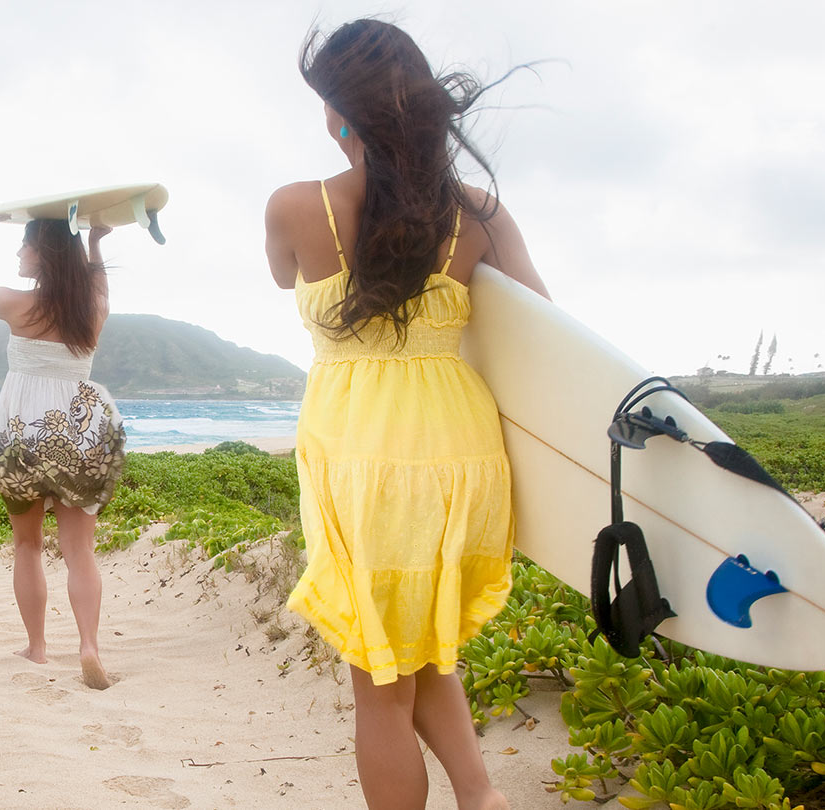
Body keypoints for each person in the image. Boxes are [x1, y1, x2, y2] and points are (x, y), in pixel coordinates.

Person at [262, 18, 550, 810]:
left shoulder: (295, 208)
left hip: (362, 458)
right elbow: (543, 333)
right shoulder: (481, 213)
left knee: (380, 685)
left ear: (340, 113)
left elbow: (283, 278)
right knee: (425, 653)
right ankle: (481, 796)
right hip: (462, 455)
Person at [0, 202, 127, 690]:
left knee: (28, 545)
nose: (18, 251)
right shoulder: (93, 308)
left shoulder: (18, 304)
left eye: (23, 243)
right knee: (80, 551)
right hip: (82, 428)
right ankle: (89, 645)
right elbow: (97, 284)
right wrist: (95, 240)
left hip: (22, 434)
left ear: (42, 251)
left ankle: (37, 648)